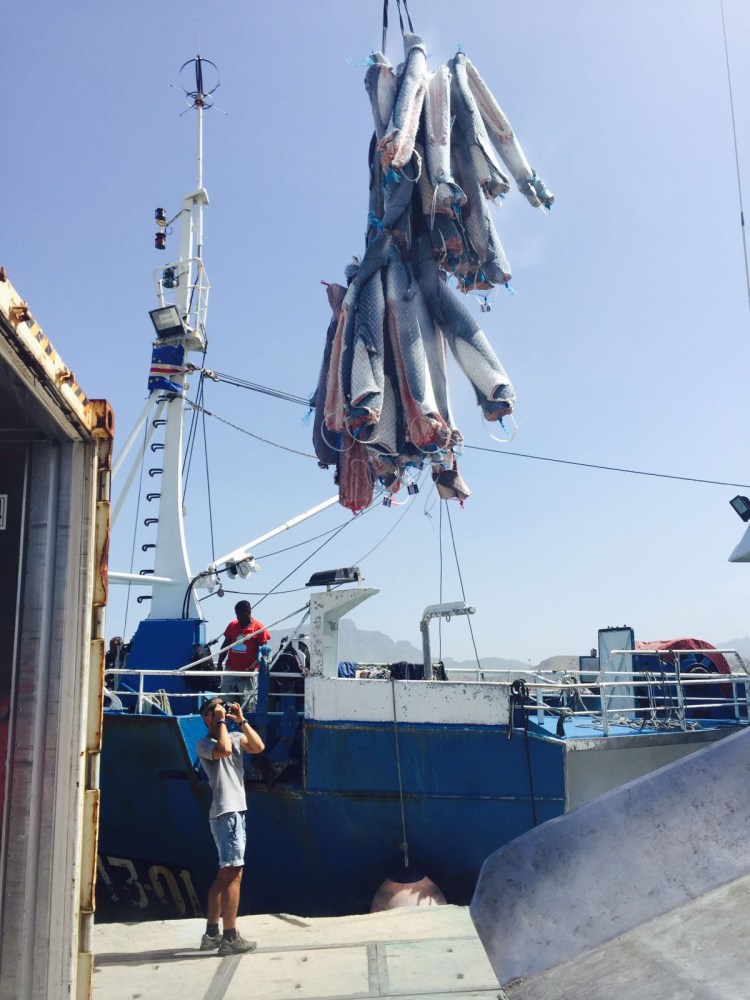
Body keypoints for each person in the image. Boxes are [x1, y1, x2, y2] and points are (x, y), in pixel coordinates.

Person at [196, 697, 265, 954]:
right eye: (215, 711)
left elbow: (258, 746)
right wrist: (222, 720)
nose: (221, 712)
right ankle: (230, 937)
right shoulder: (204, 744)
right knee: (234, 874)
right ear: (207, 719)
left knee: (224, 874)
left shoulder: (235, 736)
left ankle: (212, 934)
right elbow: (223, 750)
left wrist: (241, 720)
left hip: (235, 811)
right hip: (226, 812)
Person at [217, 601, 271, 696]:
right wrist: (219, 663)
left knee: (248, 703)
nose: (239, 618)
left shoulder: (259, 628)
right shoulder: (232, 625)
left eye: (241, 615)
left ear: (249, 612)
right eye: (237, 615)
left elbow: (264, 652)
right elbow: (225, 645)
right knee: (225, 700)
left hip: (248, 673)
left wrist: (252, 667)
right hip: (231, 670)